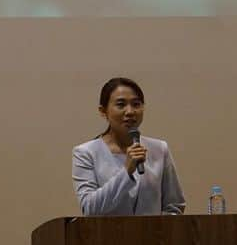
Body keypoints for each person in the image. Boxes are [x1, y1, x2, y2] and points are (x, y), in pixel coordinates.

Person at [72, 77, 186, 216]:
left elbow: (174, 206)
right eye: (121, 105)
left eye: (136, 104)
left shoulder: (159, 149)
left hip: (155, 237)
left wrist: (159, 232)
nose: (130, 111)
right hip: (106, 237)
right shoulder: (86, 153)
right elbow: (89, 208)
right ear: (103, 111)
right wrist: (126, 171)